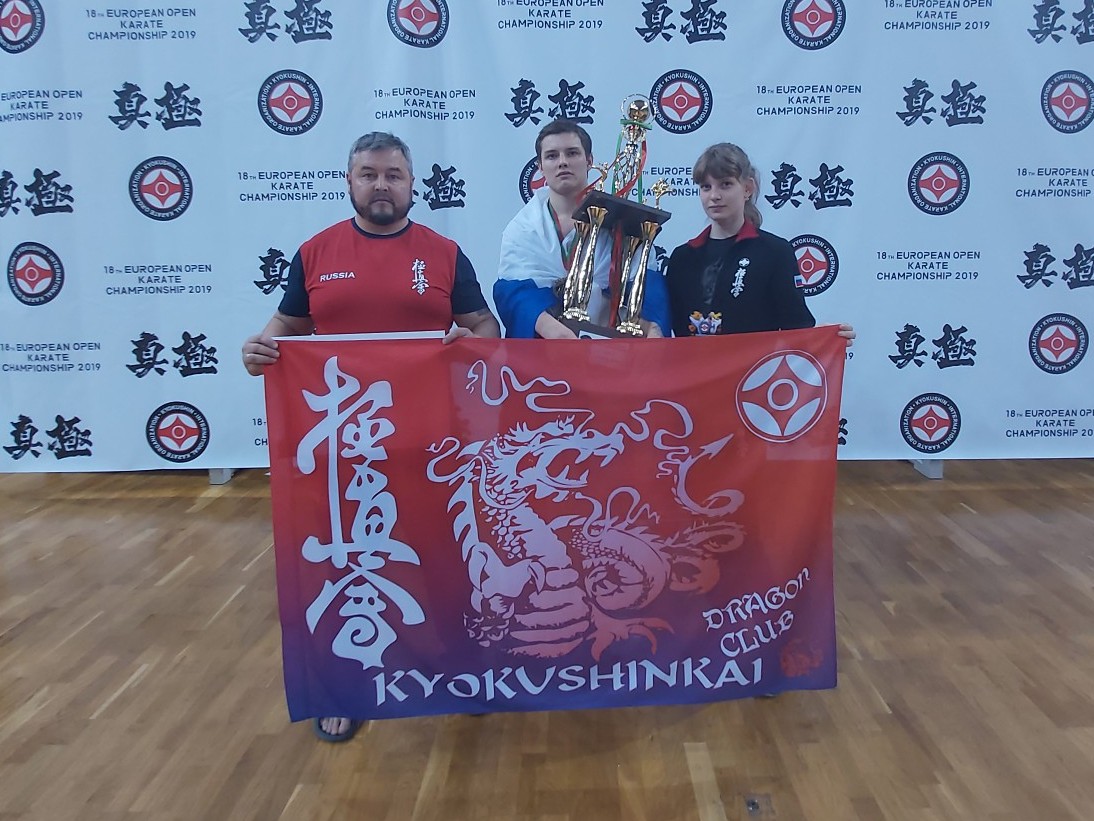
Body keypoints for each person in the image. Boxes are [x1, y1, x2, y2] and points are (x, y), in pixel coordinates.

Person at [241, 131, 500, 742]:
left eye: (393, 174)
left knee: (445, 560)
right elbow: (283, 329)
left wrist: (472, 341)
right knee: (344, 567)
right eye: (368, 174)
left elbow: (485, 327)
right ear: (350, 180)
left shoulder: (443, 253)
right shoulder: (315, 253)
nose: (381, 185)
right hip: (343, 451)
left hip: (429, 442)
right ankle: (343, 685)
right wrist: (258, 349)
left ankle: (458, 668)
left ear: (412, 184)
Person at [493, 118, 670, 339]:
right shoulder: (523, 229)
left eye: (572, 153)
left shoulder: (622, 223)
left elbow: (647, 288)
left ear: (589, 161)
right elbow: (512, 294)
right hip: (545, 350)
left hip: (610, 350)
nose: (562, 162)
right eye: (552, 156)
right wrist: (553, 331)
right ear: (540, 167)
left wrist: (653, 329)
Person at [664, 142, 854, 345]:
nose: (714, 196)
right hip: (694, 366)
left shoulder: (775, 252)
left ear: (747, 188)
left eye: (726, 184)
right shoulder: (682, 258)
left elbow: (796, 327)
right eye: (706, 187)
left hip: (755, 366)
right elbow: (667, 332)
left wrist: (825, 338)